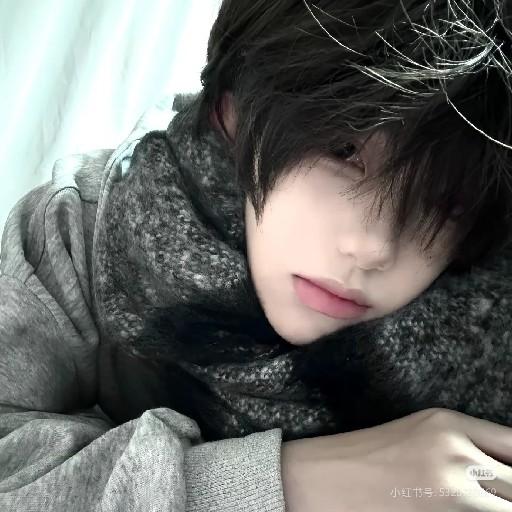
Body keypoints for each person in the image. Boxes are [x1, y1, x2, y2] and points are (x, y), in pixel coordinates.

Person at [1, 1, 512, 511]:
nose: (374, 247)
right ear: (232, 107)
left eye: (446, 202)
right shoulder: (75, 231)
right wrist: (288, 481)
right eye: (342, 150)